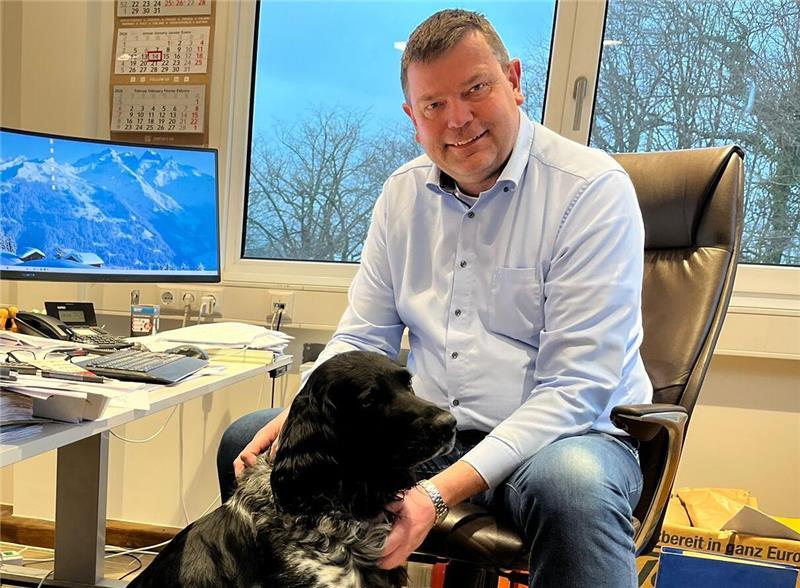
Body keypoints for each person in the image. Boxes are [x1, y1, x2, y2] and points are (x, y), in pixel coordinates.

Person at [217, 9, 652, 588]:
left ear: (514, 80)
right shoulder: (401, 196)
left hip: (564, 438)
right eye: (434, 105)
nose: (459, 119)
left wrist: (437, 496)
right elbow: (362, 336)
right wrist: (301, 409)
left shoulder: (591, 191)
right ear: (412, 117)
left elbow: (575, 388)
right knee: (250, 443)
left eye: (476, 89)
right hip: (433, 432)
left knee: (573, 489)